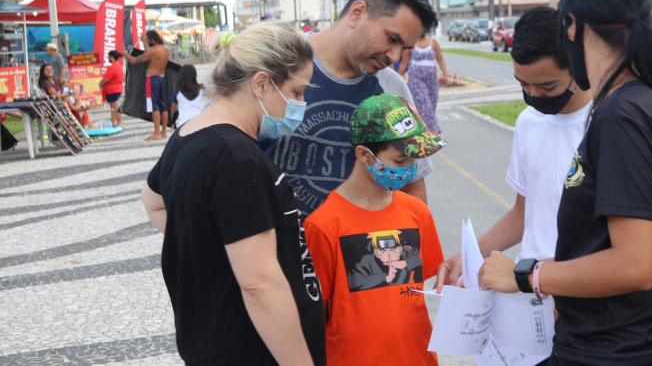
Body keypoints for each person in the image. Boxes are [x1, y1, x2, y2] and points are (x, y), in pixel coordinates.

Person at [479, 0, 652, 366]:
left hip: (616, 350)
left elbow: (636, 264)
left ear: (571, 27)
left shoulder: (619, 116)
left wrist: (525, 276)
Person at [141, 21, 326, 366]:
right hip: (250, 351)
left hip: (211, 341)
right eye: (298, 92)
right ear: (261, 83)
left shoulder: (188, 136)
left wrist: (212, 246)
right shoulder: (238, 160)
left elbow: (153, 202)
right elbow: (260, 286)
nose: (300, 103)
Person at [260, 0, 439, 216]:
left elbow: (413, 185)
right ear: (357, 13)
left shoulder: (391, 88)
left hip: (360, 250)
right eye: (391, 38)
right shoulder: (275, 60)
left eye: (405, 48)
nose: (395, 56)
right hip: (273, 251)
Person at [435, 6, 592, 291]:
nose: (533, 96)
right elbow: (524, 213)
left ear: (578, 64)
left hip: (576, 290)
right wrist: (469, 255)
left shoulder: (607, 126)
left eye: (547, 87)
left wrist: (530, 276)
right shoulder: (529, 123)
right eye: (524, 85)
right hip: (526, 291)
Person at [304, 93, 446, 365]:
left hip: (415, 356)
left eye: (413, 160)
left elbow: (413, 292)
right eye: (399, 160)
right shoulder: (323, 224)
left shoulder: (417, 212)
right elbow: (316, 312)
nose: (409, 169)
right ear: (363, 154)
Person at [397, 32, 449, 134]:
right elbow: (404, 63)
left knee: (431, 105)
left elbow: (440, 59)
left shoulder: (433, 42)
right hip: (416, 78)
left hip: (431, 78)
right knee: (424, 105)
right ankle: (430, 132)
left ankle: (423, 128)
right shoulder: (411, 43)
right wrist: (396, 78)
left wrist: (445, 75)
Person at [125, 30, 171, 141]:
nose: (148, 42)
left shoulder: (154, 51)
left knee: (154, 106)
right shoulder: (165, 49)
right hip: (161, 78)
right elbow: (150, 55)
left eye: (148, 40)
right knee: (163, 106)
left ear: (153, 39)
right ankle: (163, 132)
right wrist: (145, 42)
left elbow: (135, 60)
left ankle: (156, 133)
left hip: (152, 79)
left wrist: (125, 54)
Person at [99, 50, 124, 128]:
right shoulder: (119, 65)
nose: (107, 58)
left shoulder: (112, 67)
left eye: (108, 56)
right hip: (117, 88)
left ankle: (119, 123)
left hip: (112, 89)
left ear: (112, 57)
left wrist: (100, 83)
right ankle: (112, 123)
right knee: (113, 108)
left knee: (116, 107)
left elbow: (106, 78)